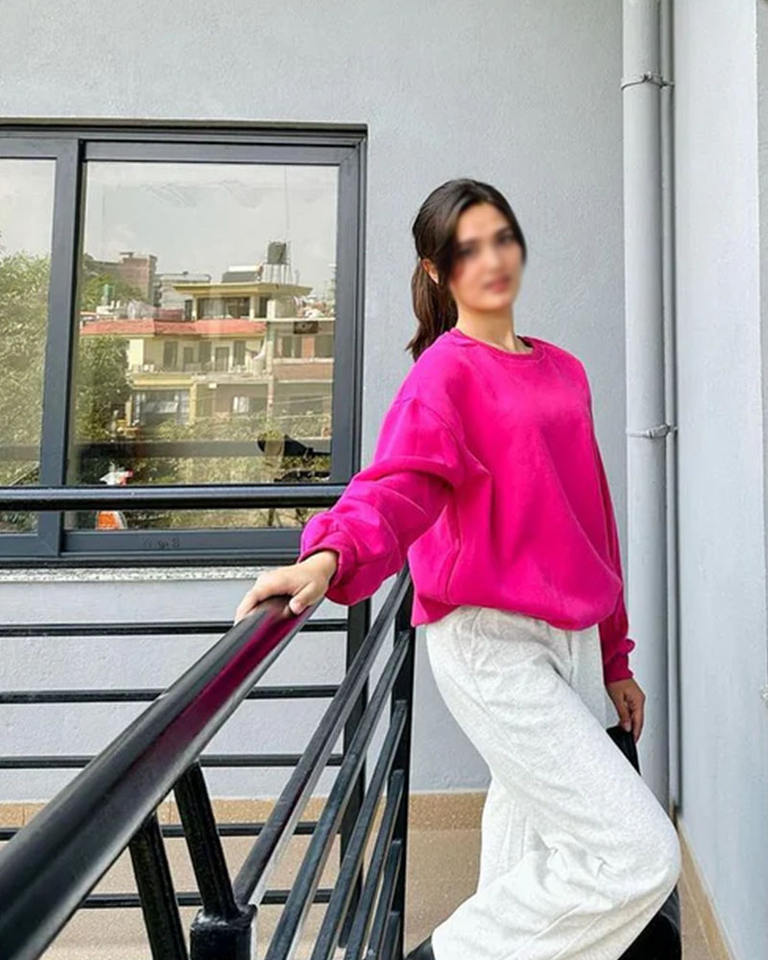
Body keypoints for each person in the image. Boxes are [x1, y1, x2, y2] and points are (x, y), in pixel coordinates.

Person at [233, 178, 682, 960]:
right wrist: (331, 554)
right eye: (468, 249)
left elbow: (593, 519)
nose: (492, 259)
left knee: (532, 858)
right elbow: (399, 486)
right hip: (490, 644)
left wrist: (615, 657)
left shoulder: (564, 369)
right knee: (637, 854)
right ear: (438, 271)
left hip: (574, 641)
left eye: (501, 237)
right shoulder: (445, 375)